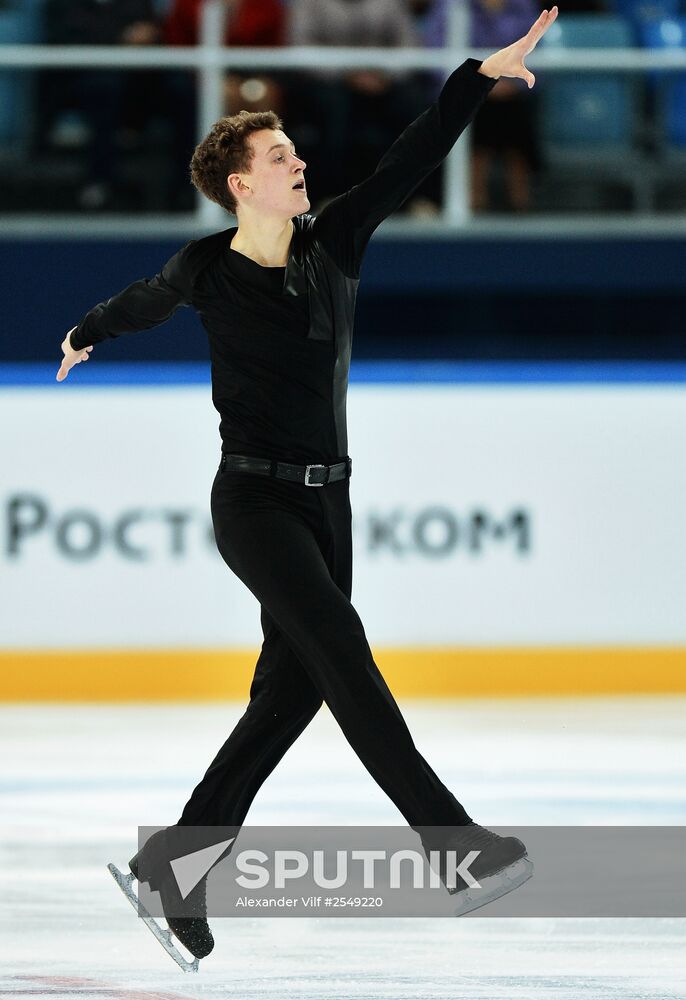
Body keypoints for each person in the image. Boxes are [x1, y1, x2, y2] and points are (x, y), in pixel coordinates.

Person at [57, 7, 559, 964]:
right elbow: (140, 303)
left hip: (331, 503)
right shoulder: (203, 268)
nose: (299, 163)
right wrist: (86, 332)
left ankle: (175, 864)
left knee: (288, 699)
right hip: (254, 505)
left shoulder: (335, 241)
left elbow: (413, 155)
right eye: (280, 155)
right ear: (241, 185)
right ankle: (453, 847)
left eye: (294, 150)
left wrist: (476, 76)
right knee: (345, 655)